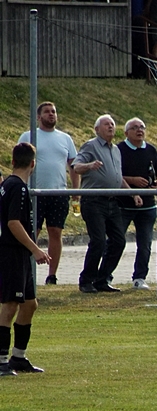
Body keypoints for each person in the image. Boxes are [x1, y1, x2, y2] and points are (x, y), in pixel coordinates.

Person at [0, 143, 52, 377]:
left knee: (30, 304)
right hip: (12, 252)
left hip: (19, 254)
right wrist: (35, 249)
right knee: (10, 304)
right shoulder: (18, 187)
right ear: (33, 164)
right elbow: (13, 223)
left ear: (13, 161)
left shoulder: (7, 185)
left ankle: (18, 358)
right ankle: (1, 360)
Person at [73, 114, 139, 293]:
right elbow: (76, 167)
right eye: (106, 124)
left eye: (112, 124)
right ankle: (86, 280)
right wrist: (89, 165)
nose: (110, 127)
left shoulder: (116, 150)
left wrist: (132, 194)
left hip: (112, 201)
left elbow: (117, 177)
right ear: (97, 129)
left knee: (119, 241)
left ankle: (102, 279)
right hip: (94, 201)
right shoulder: (90, 146)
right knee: (99, 241)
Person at [18, 101, 79, 285]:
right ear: (38, 117)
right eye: (47, 112)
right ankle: (26, 272)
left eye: (53, 111)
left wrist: (76, 190)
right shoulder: (28, 136)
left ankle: (52, 275)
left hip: (58, 193)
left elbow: (74, 166)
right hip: (34, 193)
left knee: (55, 232)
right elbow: (20, 164)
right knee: (32, 232)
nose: (51, 114)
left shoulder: (65, 139)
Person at [117, 118, 157, 291]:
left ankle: (139, 278)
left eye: (142, 127)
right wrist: (133, 181)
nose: (139, 130)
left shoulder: (151, 149)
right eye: (135, 128)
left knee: (145, 244)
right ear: (126, 132)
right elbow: (115, 174)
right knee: (116, 241)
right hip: (124, 205)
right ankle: (104, 276)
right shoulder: (119, 149)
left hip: (148, 205)